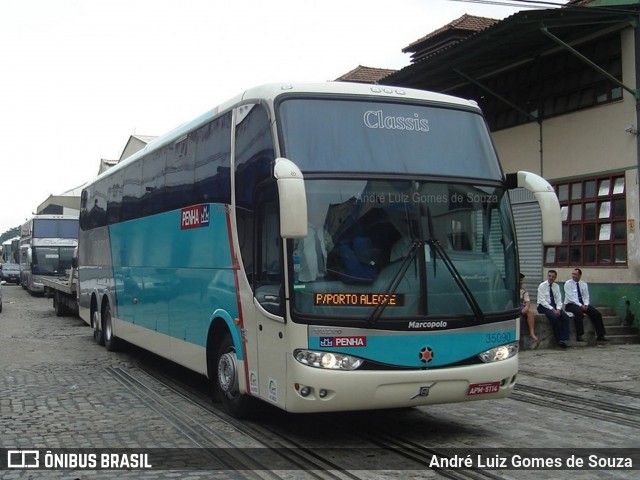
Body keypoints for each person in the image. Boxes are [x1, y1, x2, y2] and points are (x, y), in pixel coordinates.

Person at [564, 268, 608, 343]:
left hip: (583, 304)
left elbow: (586, 296)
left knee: (597, 314)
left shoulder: (583, 284)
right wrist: (580, 305)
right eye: (573, 274)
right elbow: (571, 297)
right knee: (579, 313)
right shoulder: (568, 284)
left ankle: (600, 335)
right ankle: (579, 335)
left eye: (575, 274)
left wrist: (586, 304)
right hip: (571, 304)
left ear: (580, 275)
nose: (573, 276)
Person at [537, 269, 571, 349]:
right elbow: (542, 300)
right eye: (549, 276)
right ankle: (558, 339)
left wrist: (559, 309)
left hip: (555, 306)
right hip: (544, 306)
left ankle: (564, 339)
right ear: (547, 276)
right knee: (555, 317)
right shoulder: (542, 286)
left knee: (565, 317)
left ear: (555, 277)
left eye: (553, 276)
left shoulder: (556, 286)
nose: (551, 278)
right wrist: (553, 309)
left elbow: (559, 299)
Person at [519, 273, 538, 342]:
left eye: (522, 280)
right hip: (512, 306)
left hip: (521, 306)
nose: (521, 282)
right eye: (520, 280)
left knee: (530, 312)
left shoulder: (524, 290)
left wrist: (526, 307)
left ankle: (532, 333)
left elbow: (527, 301)